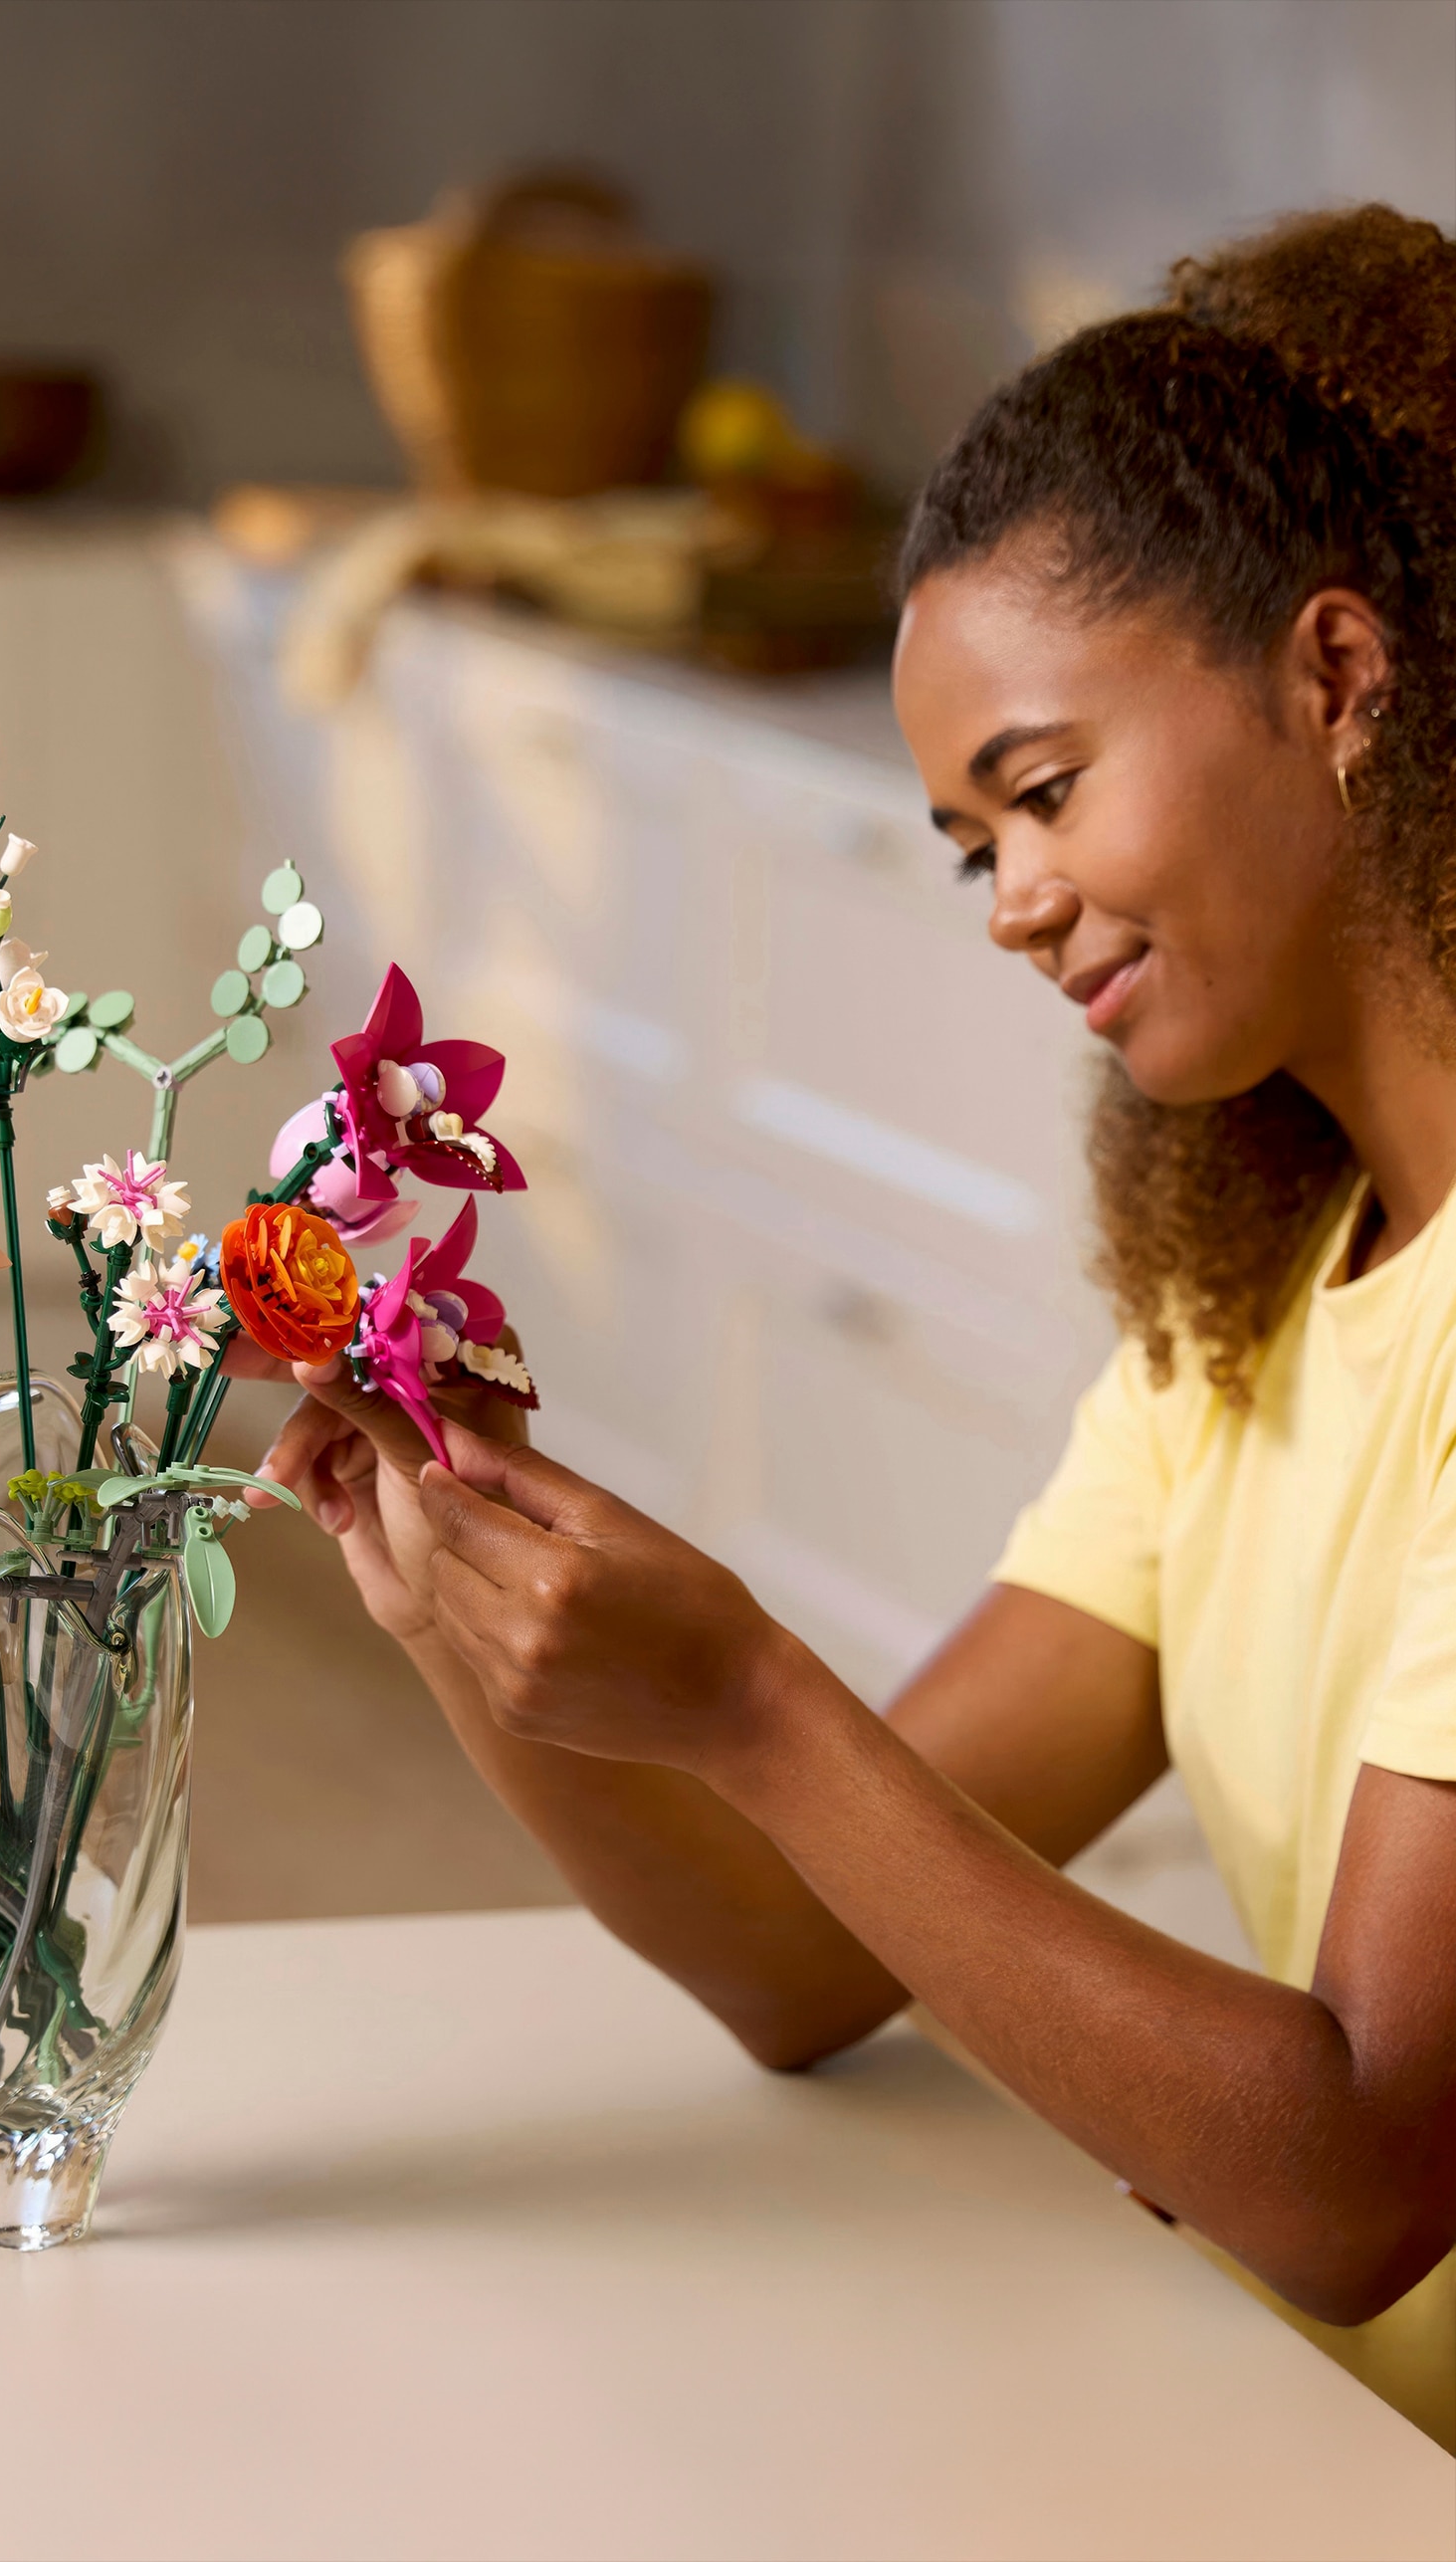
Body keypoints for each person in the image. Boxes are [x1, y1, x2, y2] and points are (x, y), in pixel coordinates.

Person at [243, 205, 1456, 2451]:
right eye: (971, 843)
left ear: (1336, 676)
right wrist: (456, 1535)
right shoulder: (1253, 1307)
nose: (1010, 905)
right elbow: (799, 1956)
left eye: (1045, 791)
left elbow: (1356, 2169)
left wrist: (755, 1698)